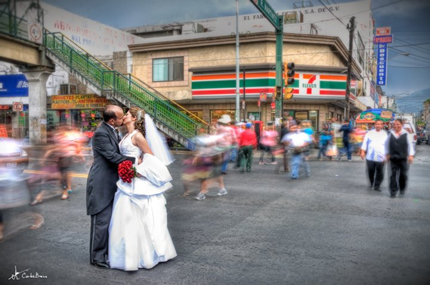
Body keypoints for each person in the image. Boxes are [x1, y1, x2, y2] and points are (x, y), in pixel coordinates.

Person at [108, 107, 176, 271]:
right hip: (125, 182)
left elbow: (150, 156)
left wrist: (138, 170)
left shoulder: (137, 136)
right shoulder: (126, 135)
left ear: (134, 118)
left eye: (127, 114)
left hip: (135, 182)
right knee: (125, 219)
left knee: (135, 218)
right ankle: (127, 255)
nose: (124, 116)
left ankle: (142, 256)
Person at [86, 105, 136, 269]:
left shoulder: (113, 130)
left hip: (112, 181)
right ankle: (97, 257)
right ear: (112, 120)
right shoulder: (101, 133)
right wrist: (135, 161)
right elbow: (112, 156)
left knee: (109, 221)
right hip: (101, 182)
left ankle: (105, 254)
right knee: (101, 221)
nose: (123, 119)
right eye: (121, 117)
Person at [385, 119, 415, 198]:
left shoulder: (406, 134)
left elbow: (410, 145)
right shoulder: (390, 133)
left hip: (403, 158)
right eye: (395, 124)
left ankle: (402, 188)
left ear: (401, 125)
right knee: (392, 175)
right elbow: (386, 144)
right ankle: (393, 191)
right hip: (393, 158)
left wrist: (411, 155)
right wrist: (387, 153)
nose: (396, 126)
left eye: (398, 124)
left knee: (403, 175)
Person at [360, 120, 388, 192]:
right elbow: (365, 143)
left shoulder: (385, 134)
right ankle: (372, 183)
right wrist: (362, 152)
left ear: (382, 125)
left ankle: (377, 186)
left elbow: (387, 145)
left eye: (380, 124)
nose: (378, 125)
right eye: (377, 124)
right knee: (370, 170)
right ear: (374, 125)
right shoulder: (369, 133)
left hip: (381, 157)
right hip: (370, 157)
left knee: (380, 172)